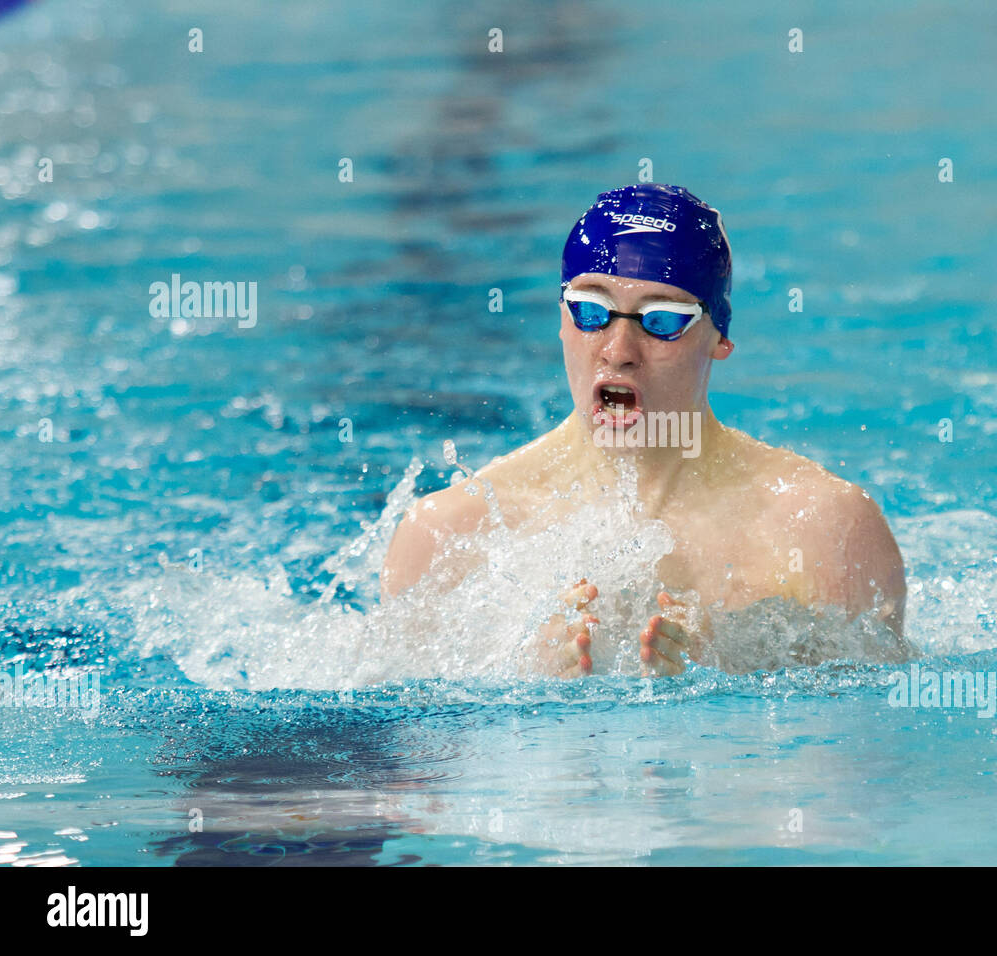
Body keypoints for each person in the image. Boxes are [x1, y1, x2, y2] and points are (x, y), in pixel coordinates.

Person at [381, 183, 906, 678]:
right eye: (591, 311)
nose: (617, 351)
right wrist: (517, 675)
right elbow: (403, 755)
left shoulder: (827, 529)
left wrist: (737, 666)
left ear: (719, 337)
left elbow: (861, 752)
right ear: (562, 319)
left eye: (659, 320)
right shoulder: (445, 534)